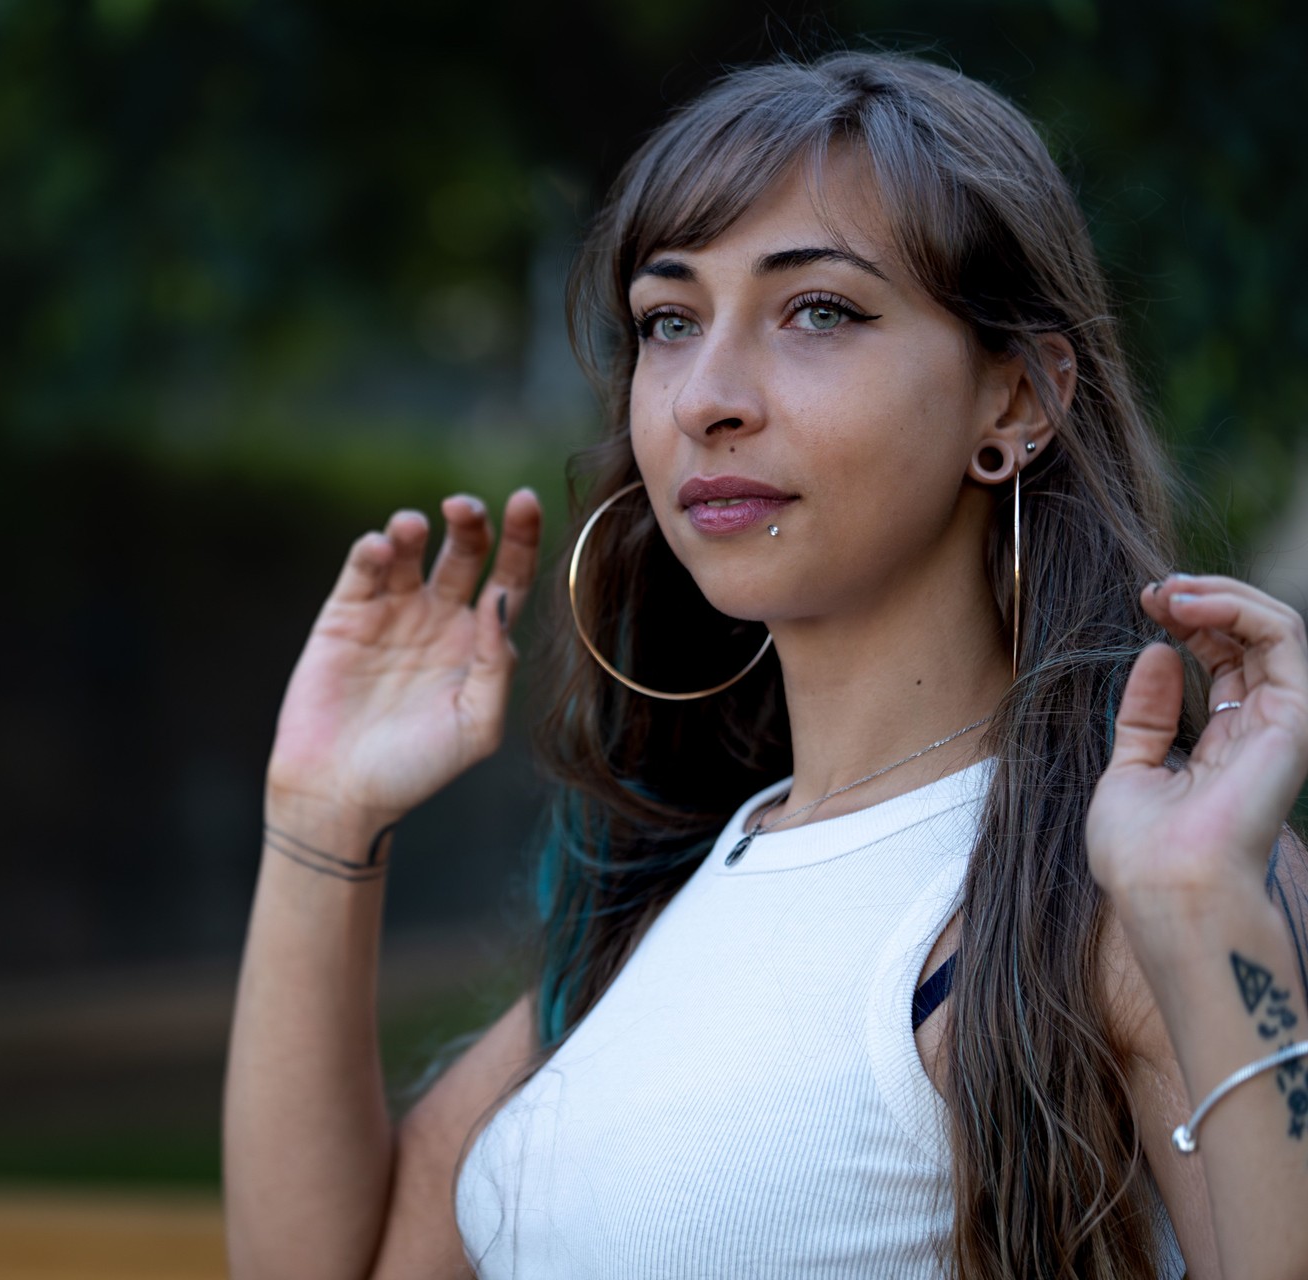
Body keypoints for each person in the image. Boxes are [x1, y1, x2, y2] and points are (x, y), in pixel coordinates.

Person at [222, 50, 1308, 1280]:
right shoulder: (678, 894)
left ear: (1016, 396)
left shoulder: (1127, 871)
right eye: (668, 321)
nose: (707, 396)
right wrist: (319, 813)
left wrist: (1214, 916)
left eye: (819, 310)